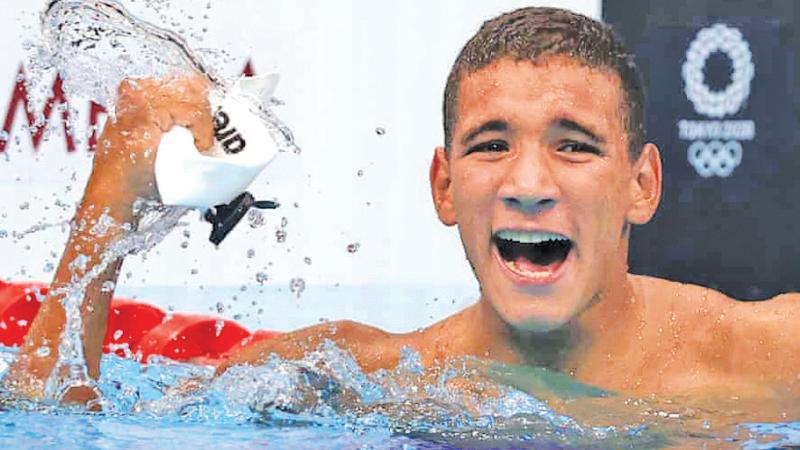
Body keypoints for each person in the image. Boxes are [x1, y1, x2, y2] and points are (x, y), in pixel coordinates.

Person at [4, 7, 800, 407]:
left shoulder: (765, 361)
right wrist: (106, 212)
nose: (528, 180)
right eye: (490, 145)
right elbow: (61, 431)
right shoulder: (356, 376)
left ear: (643, 185)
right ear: (444, 188)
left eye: (574, 145)